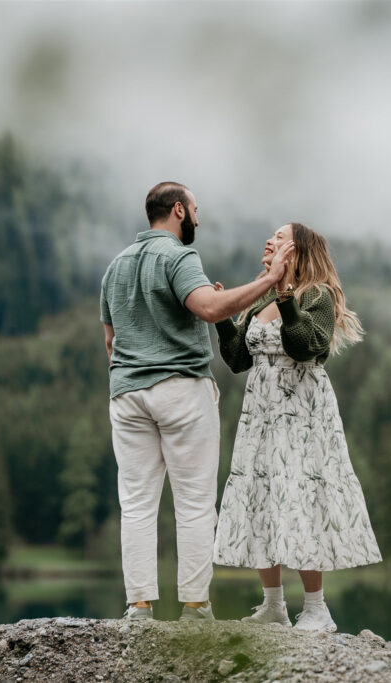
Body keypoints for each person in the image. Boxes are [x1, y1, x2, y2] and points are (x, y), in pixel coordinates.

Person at [100, 182, 295, 621]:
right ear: (178, 212)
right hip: (180, 389)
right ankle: (194, 606)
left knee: (135, 504)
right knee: (193, 502)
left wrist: (133, 374)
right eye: (195, 210)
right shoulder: (178, 256)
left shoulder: (114, 267)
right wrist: (268, 279)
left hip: (126, 395)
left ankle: (138, 608)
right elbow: (208, 307)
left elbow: (110, 341)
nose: (199, 219)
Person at [212, 222, 382, 632]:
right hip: (260, 413)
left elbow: (307, 345)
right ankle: (273, 605)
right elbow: (237, 359)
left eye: (280, 237)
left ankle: (317, 609)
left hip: (302, 412)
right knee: (261, 496)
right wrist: (223, 317)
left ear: (301, 251)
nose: (269, 241)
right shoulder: (261, 297)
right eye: (270, 236)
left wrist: (286, 295)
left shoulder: (317, 294)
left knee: (301, 497)